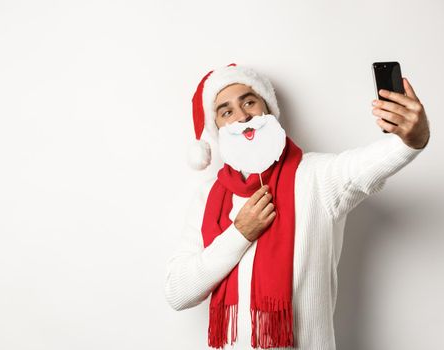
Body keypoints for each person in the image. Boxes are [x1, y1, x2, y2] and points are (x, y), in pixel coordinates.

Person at [163, 63, 430, 349]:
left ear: (268, 111)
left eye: (249, 102)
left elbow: (367, 165)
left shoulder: (315, 176)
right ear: (216, 129)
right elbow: (178, 292)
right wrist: (240, 233)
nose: (242, 117)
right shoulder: (209, 197)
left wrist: (412, 139)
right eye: (226, 111)